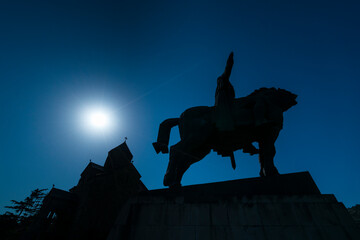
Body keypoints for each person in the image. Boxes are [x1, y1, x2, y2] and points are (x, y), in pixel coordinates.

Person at [214, 52, 235, 131]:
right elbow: (228, 69)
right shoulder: (223, 80)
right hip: (225, 103)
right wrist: (230, 60)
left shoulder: (219, 91)